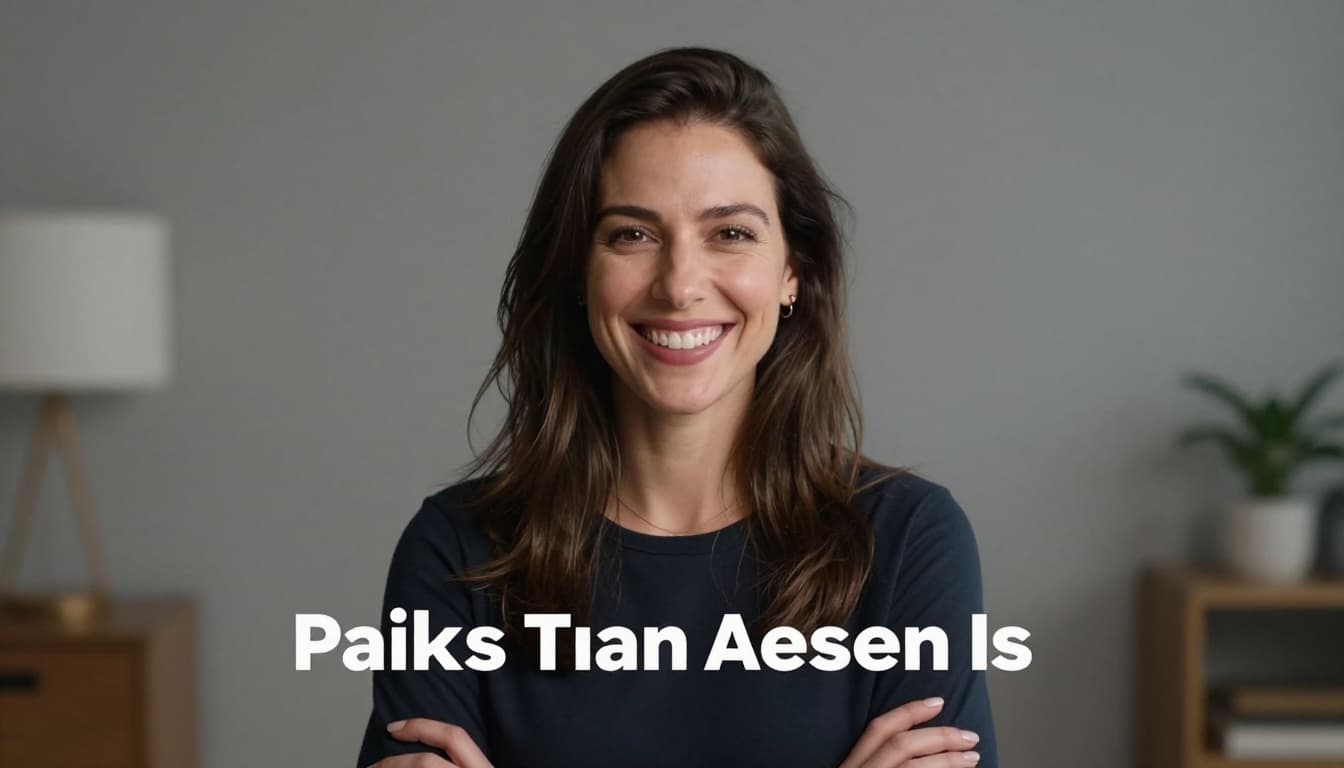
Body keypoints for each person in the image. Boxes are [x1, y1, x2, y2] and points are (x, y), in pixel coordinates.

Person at [356, 46, 997, 768]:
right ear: (578, 270)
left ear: (793, 271)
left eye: (731, 234)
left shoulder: (908, 542)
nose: (680, 283)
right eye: (632, 234)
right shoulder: (456, 552)